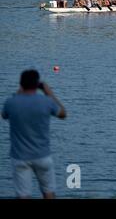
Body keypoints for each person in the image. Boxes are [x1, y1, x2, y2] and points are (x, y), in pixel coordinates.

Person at [2, 70, 67, 199]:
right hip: (42, 155)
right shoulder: (46, 102)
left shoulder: (11, 102)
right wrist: (49, 93)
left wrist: (17, 94)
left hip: (20, 156)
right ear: (37, 84)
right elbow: (63, 114)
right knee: (49, 192)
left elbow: (4, 115)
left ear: (21, 84)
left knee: (23, 195)